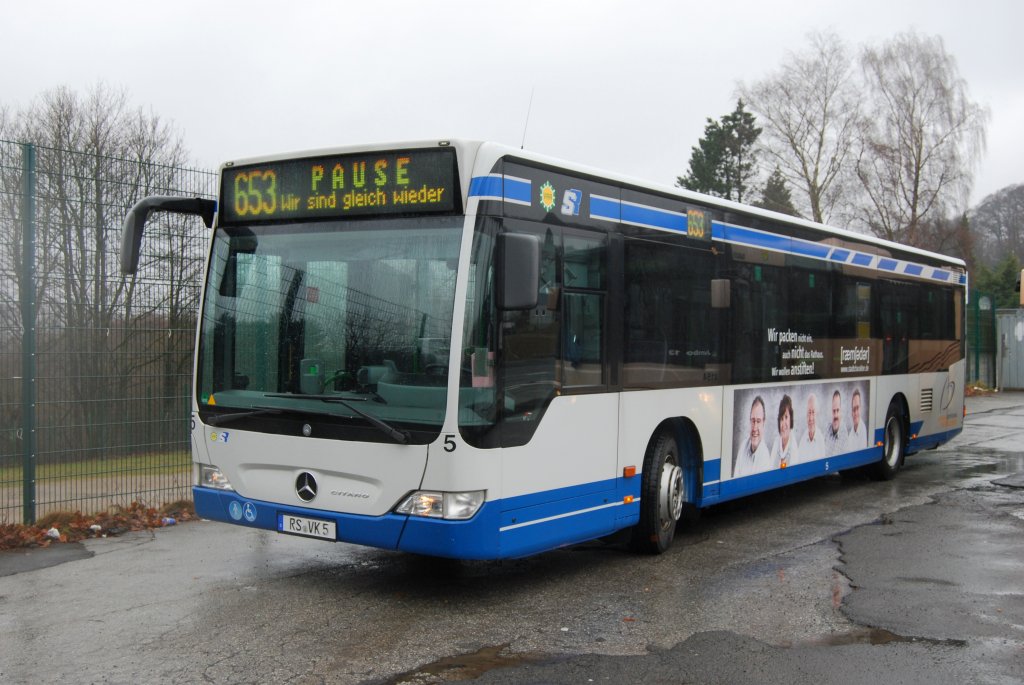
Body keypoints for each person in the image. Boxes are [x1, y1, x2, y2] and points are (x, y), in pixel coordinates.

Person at [735, 395, 772, 477]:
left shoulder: (765, 460)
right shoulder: (743, 446)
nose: (755, 428)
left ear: (763, 423)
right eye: (753, 420)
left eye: (758, 421)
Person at [771, 394, 797, 468]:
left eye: (786, 417)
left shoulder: (794, 449)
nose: (783, 423)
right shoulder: (776, 442)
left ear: (791, 419)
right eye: (781, 419)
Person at [799, 393, 825, 462]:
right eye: (809, 412)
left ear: (817, 415)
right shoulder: (802, 441)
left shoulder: (822, 441)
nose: (810, 418)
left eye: (813, 412)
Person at [825, 389, 845, 456]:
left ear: (841, 411)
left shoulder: (845, 437)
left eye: (838, 410)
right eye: (834, 411)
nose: (836, 415)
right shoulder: (826, 429)